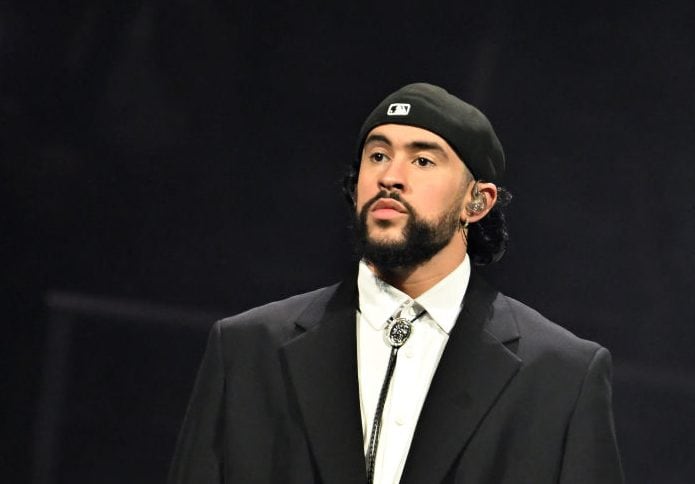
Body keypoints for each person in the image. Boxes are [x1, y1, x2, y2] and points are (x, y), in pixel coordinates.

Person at [168, 83, 624, 484]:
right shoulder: (248, 349)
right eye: (378, 155)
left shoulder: (562, 376)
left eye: (423, 160)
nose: (390, 177)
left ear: (477, 202)